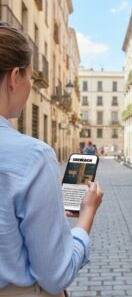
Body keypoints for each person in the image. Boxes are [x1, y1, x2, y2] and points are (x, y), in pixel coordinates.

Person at [0, 23, 103, 297]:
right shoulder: (34, 157)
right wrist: (87, 215)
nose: (31, 85)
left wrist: (46, 196)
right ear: (14, 77)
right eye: (30, 76)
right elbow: (56, 274)